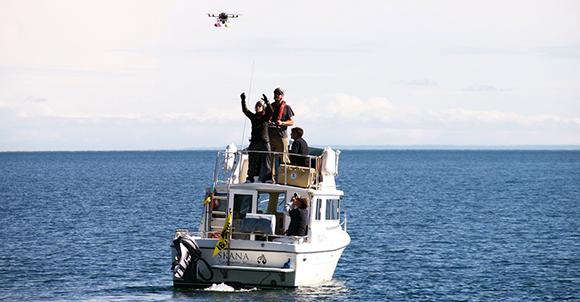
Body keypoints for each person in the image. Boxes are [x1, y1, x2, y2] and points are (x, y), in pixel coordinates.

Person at [241, 92, 273, 183]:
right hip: (254, 141)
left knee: (266, 160)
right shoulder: (253, 117)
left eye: (259, 106)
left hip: (264, 141)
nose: (257, 107)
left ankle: (268, 178)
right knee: (252, 160)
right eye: (256, 106)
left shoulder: (265, 117)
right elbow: (245, 110)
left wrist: (267, 102)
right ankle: (250, 177)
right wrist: (243, 100)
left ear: (263, 108)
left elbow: (271, 111)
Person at [268, 88, 294, 165]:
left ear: (282, 96)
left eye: (278, 94)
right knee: (269, 158)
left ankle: (284, 175)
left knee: (284, 158)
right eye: (275, 93)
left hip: (282, 137)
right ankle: (270, 176)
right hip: (271, 136)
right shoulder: (270, 106)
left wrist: (281, 123)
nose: (276, 95)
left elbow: (291, 122)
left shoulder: (287, 107)